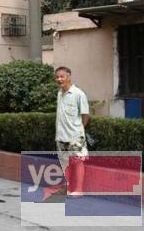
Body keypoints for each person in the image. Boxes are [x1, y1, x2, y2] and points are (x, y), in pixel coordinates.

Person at [54, 66, 89, 197]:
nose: (59, 79)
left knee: (78, 161)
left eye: (62, 76)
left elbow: (85, 115)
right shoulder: (59, 93)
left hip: (75, 136)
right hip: (61, 136)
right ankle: (68, 187)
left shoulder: (78, 94)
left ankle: (79, 190)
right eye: (57, 77)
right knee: (65, 162)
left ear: (69, 77)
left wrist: (79, 129)